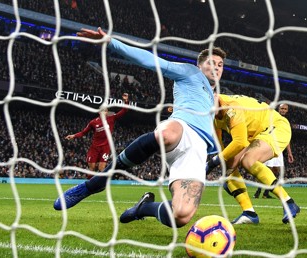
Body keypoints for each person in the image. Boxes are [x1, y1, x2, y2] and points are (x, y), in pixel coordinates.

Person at [54, 27, 227, 229]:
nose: (216, 67)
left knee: (181, 216)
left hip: (197, 150)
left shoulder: (215, 100)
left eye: (220, 64)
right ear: (200, 65)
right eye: (211, 62)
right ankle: (94, 184)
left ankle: (143, 208)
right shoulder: (190, 73)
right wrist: (111, 42)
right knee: (166, 134)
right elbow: (150, 61)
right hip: (180, 128)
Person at [207, 94, 300, 224]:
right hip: (256, 134)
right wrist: (226, 174)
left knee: (247, 160)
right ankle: (249, 212)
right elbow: (221, 148)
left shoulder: (232, 108)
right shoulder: (214, 117)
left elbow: (240, 142)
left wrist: (210, 164)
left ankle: (288, 202)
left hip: (276, 126)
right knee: (228, 166)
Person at [65, 93, 129, 178]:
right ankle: (88, 184)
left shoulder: (111, 118)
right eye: (102, 110)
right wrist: (74, 136)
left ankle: (100, 186)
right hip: (94, 147)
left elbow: (124, 111)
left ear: (107, 112)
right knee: (92, 169)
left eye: (105, 110)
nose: (104, 112)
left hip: (105, 147)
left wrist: (126, 101)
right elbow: (83, 132)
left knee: (101, 168)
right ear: (99, 112)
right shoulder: (93, 122)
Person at [253, 103, 294, 199]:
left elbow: (286, 138)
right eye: (282, 108)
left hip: (279, 148)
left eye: (285, 109)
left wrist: (289, 153)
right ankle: (258, 191)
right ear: (278, 109)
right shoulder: (272, 116)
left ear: (287, 111)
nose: (283, 110)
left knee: (275, 170)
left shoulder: (285, 122)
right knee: (267, 170)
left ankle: (265, 193)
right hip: (269, 145)